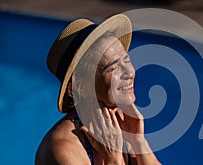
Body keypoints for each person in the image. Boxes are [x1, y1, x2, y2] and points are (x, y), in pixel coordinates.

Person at [35, 14, 162, 165]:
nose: (129, 72)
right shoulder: (63, 149)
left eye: (126, 60)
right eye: (113, 67)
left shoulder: (119, 122)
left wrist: (138, 141)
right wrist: (112, 160)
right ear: (82, 87)